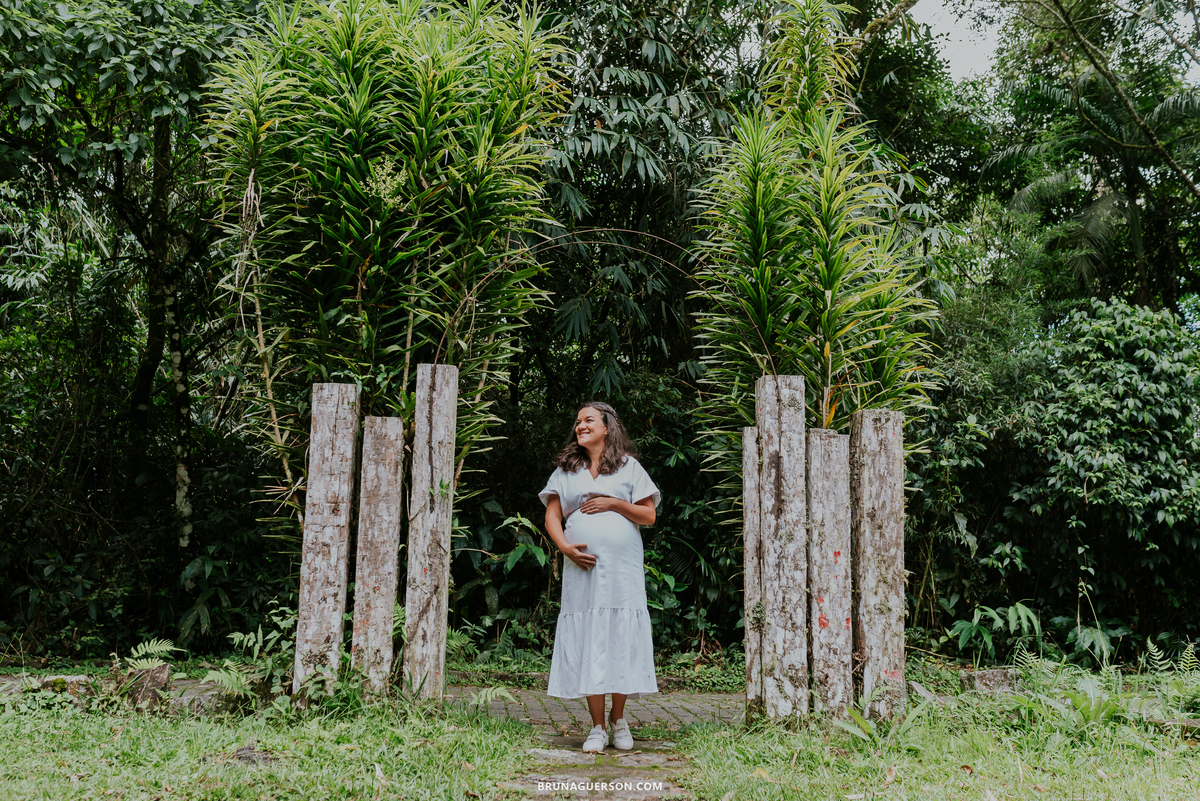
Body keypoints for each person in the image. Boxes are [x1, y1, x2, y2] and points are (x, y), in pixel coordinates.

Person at [538, 402, 661, 753]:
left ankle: (619, 719)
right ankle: (596, 727)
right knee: (590, 635)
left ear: (606, 427)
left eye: (588, 420)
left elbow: (648, 515)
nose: (580, 426)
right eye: (577, 421)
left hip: (621, 569)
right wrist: (565, 548)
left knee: (619, 635)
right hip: (583, 568)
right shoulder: (567, 469)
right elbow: (552, 516)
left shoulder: (628, 467)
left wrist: (613, 503)